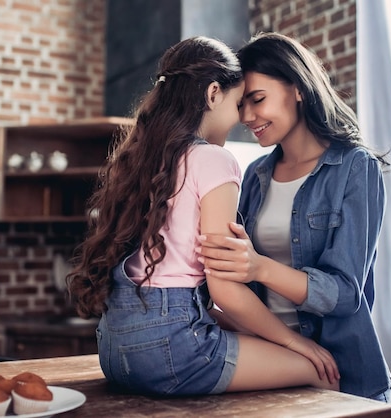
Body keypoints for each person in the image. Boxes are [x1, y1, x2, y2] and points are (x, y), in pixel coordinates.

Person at [67, 35, 340, 396]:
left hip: (114, 352)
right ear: (213, 93)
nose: (243, 118)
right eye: (239, 102)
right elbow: (224, 289)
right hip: (173, 351)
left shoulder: (142, 161)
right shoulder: (214, 159)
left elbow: (183, 295)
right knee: (320, 370)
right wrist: (296, 342)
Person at [195, 32, 391, 402]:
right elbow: (226, 273)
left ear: (298, 88)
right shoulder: (253, 176)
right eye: (241, 105)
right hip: (270, 367)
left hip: (340, 373)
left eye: (257, 100)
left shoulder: (355, 168)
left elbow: (345, 294)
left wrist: (259, 268)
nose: (247, 117)